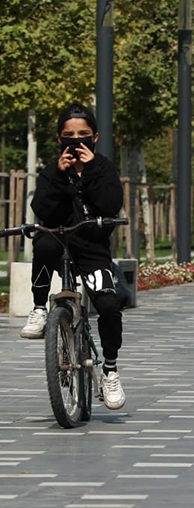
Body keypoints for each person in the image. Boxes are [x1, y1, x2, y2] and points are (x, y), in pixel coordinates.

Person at [21, 103, 127, 410]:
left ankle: (110, 369)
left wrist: (90, 170)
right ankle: (40, 309)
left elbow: (109, 205)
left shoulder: (103, 168)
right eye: (69, 135)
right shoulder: (52, 171)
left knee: (107, 303)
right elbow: (42, 209)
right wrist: (59, 173)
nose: (76, 140)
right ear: (59, 138)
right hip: (58, 239)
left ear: (94, 137)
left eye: (83, 134)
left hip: (92, 248)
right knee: (43, 244)